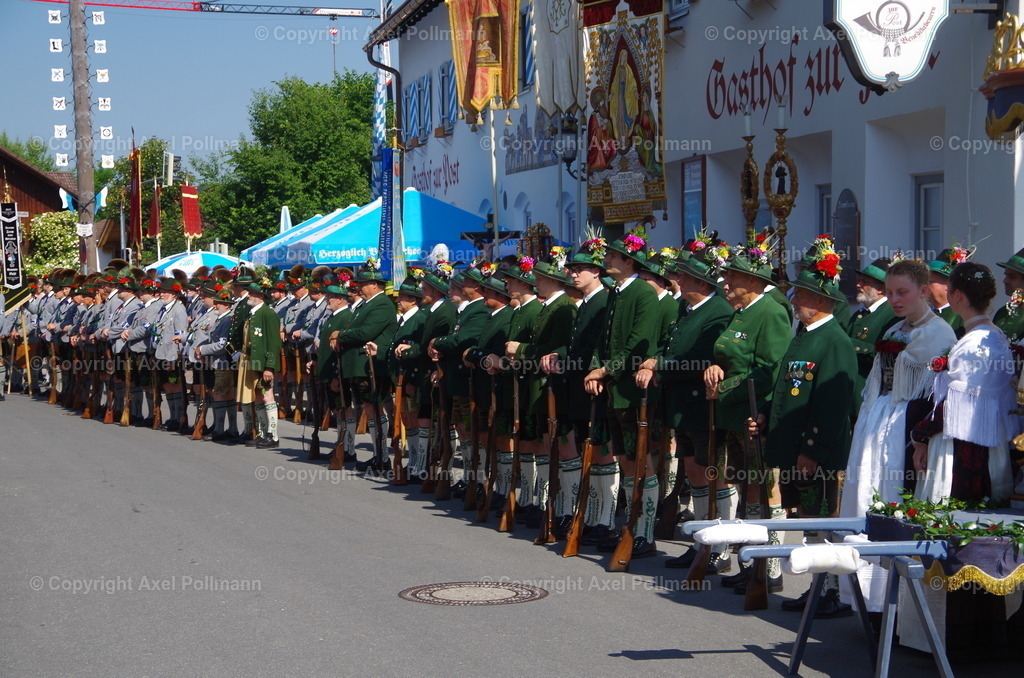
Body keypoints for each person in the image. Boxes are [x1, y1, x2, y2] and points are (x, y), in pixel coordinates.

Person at [748, 237, 857, 617]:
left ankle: (828, 592)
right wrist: (764, 413)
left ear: (824, 301)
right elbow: (785, 386)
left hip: (818, 453)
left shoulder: (835, 341)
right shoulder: (804, 336)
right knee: (806, 520)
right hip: (795, 447)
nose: (795, 300)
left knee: (821, 521)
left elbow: (832, 405)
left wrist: (811, 451)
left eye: (803, 295)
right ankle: (816, 589)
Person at [840, 258, 956, 612]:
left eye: (902, 292)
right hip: (879, 418)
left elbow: (935, 393)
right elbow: (876, 380)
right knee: (864, 492)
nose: (894, 299)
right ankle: (860, 594)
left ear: (923, 291)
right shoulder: (892, 329)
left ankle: (892, 602)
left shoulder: (939, 333)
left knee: (893, 498)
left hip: (906, 424)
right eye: (890, 293)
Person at [703, 235, 791, 593]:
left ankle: (770, 569)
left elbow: (771, 369)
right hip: (733, 414)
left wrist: (723, 387)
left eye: (734, 278)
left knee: (765, 487)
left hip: (756, 414)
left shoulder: (770, 311)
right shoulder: (742, 310)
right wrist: (714, 369)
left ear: (754, 282)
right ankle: (750, 562)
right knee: (746, 485)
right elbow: (731, 354)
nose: (726, 282)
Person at [642, 245, 733, 573]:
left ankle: (720, 547)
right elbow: (671, 344)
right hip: (681, 403)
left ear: (704, 283)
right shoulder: (686, 308)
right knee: (695, 471)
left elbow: (702, 358)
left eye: (686, 275)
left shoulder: (719, 311)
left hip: (702, 403)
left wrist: (660, 367)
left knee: (713, 473)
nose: (677, 278)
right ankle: (701, 542)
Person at [911, 262, 1016, 502]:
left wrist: (919, 435)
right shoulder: (994, 337)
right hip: (989, 447)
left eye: (949, 289)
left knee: (955, 520)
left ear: (957, 296)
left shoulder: (975, 345)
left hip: (962, 452)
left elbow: (955, 408)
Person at [585, 231, 661, 558]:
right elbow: (605, 338)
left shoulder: (642, 292)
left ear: (628, 261)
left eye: (613, 256)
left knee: (641, 460)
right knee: (627, 461)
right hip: (615, 391)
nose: (607, 259)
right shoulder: (616, 292)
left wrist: (606, 370)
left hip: (633, 392)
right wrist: (595, 368)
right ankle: (630, 524)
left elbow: (639, 342)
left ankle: (644, 531)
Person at [847, 257, 899, 414]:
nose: (858, 285)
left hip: (871, 392)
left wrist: (849, 345)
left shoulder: (891, 315)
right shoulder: (859, 314)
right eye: (859, 280)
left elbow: (886, 355)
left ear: (881, 289)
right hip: (852, 391)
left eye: (865, 282)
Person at [239, 279, 282, 448]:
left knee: (267, 395)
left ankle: (273, 435)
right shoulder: (254, 313)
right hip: (253, 362)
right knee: (257, 396)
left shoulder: (268, 314)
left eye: (252, 293)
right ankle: (262, 433)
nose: (249, 296)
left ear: (259, 296)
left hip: (263, 363)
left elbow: (274, 342)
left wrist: (269, 366)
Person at [925, 246, 971, 338]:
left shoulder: (963, 316)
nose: (925, 287)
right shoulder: (924, 313)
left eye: (930, 282)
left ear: (949, 285)